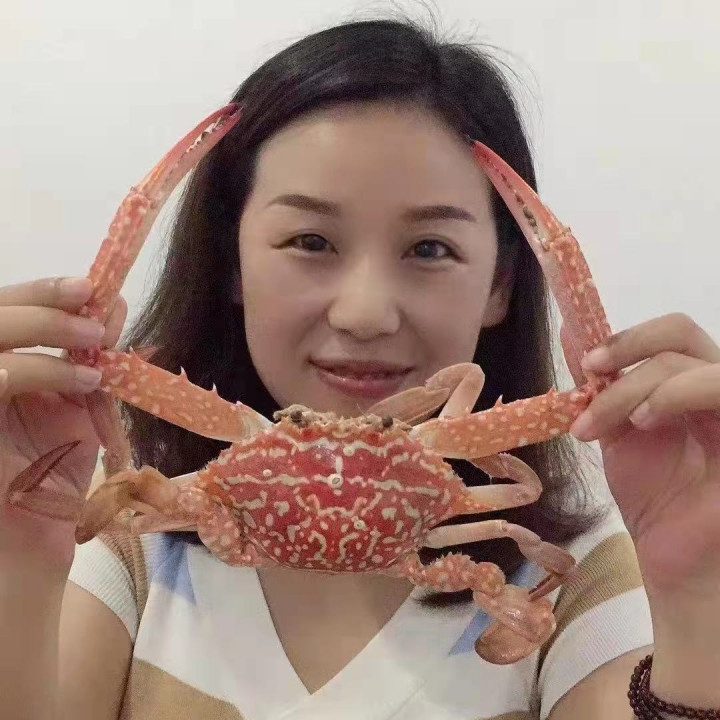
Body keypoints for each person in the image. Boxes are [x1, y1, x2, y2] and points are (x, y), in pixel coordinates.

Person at [1, 16, 719, 720]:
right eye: (310, 240)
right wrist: (17, 558)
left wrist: (702, 603)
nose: (365, 313)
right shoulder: (128, 526)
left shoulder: (581, 579)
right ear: (231, 264)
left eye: (430, 248)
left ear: (501, 284)